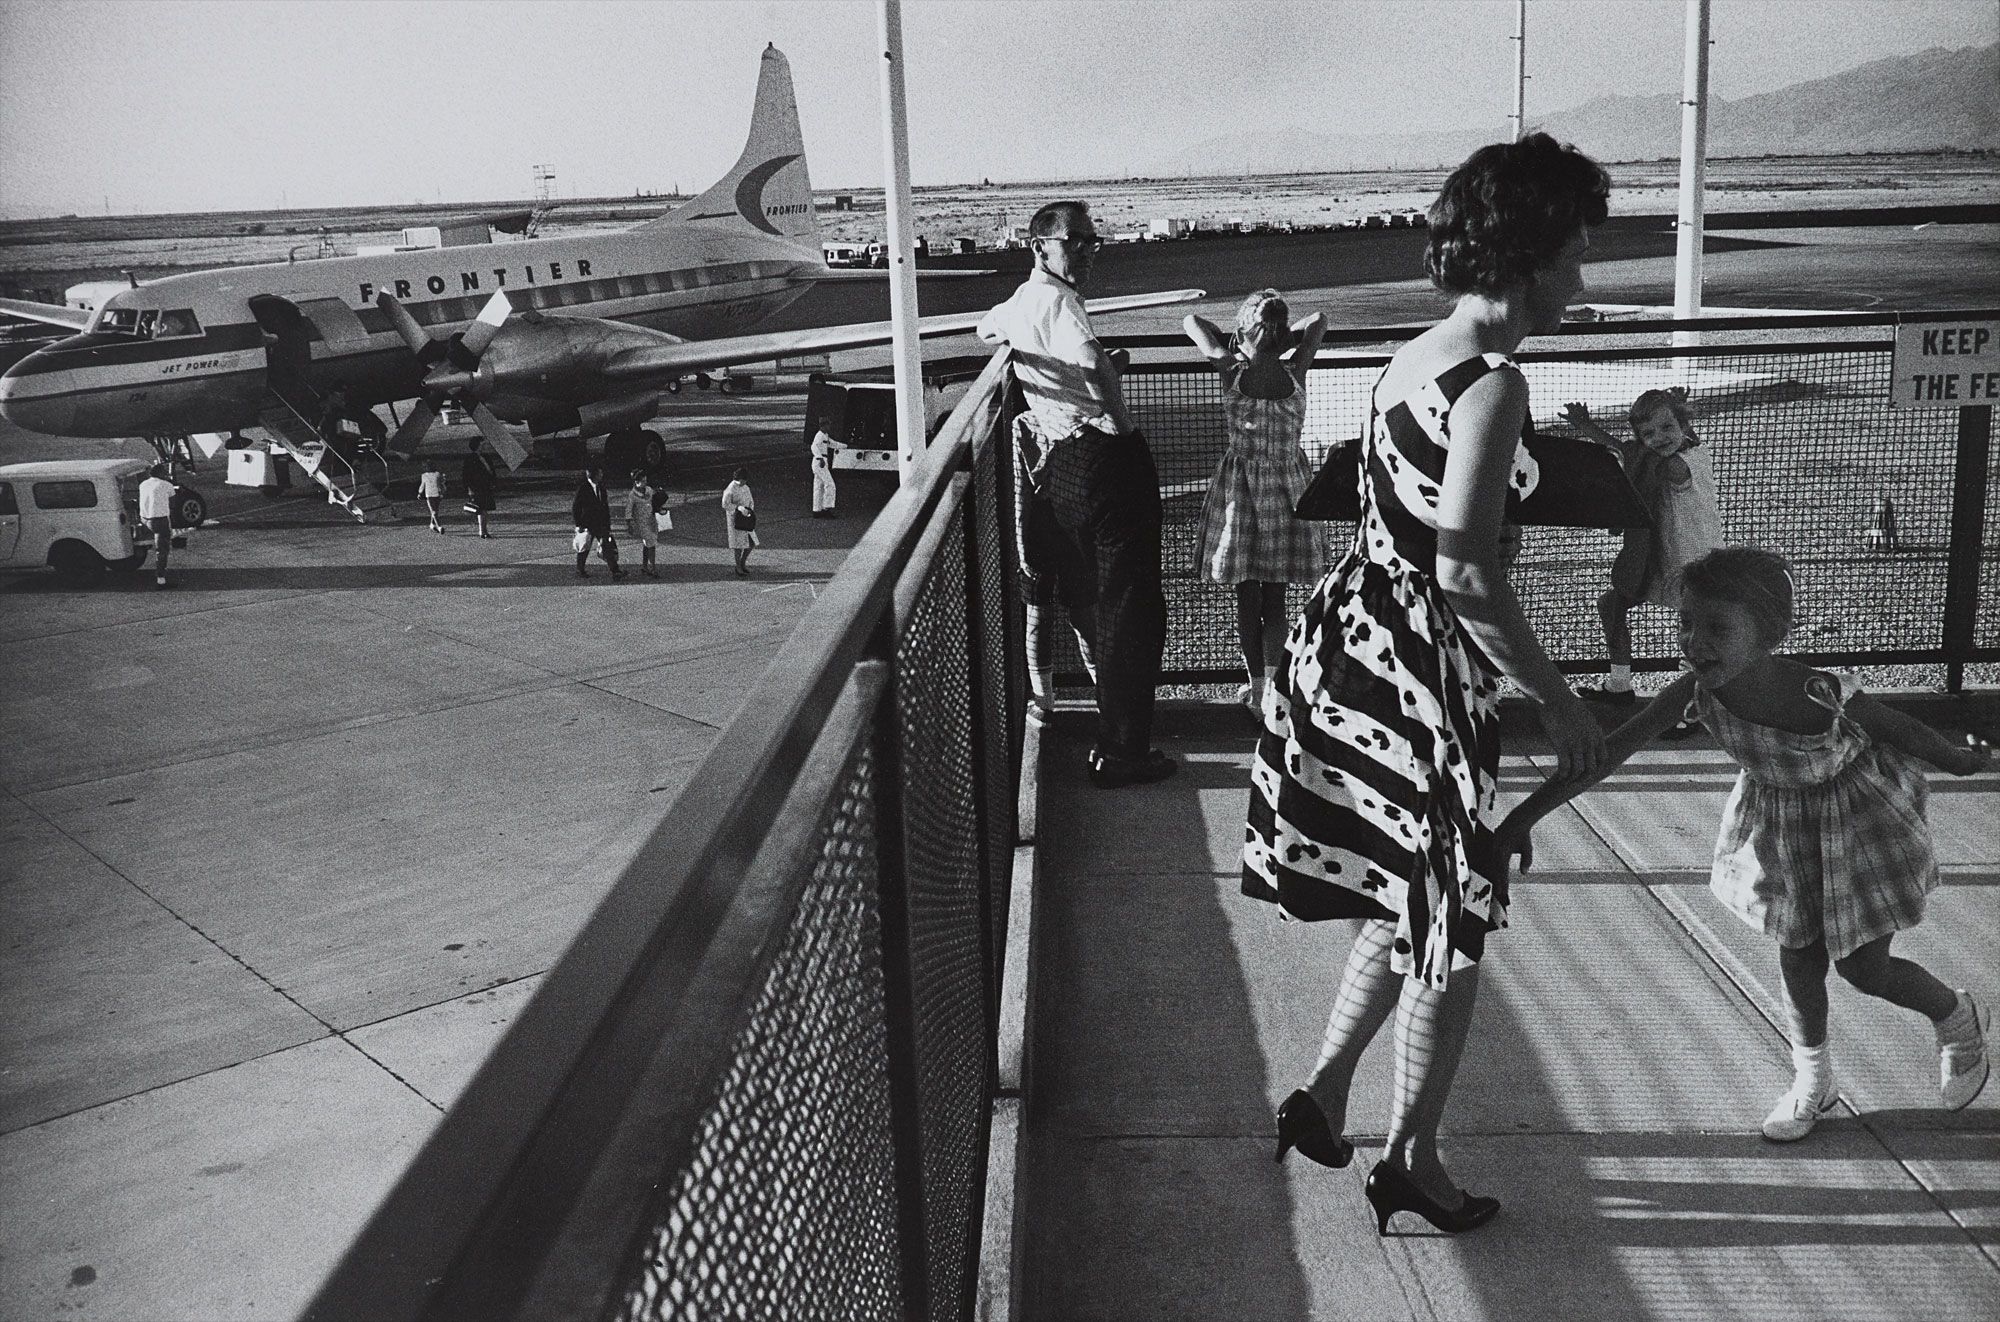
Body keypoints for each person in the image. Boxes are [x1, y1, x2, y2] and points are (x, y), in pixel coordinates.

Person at [1245, 133, 1610, 1236]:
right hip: (1418, 674)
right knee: (1449, 923)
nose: (1581, 279)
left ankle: (1322, 1091)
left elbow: (1398, 524)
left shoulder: (1412, 354)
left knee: (1412, 892)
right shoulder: (1494, 382)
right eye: (1574, 253)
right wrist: (1556, 696)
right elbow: (1461, 564)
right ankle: (1411, 1156)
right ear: (1529, 253)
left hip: (1354, 647)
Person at [1493, 546, 1991, 1140]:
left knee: (1864, 969)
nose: (1694, 642)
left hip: (1855, 827)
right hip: (1781, 832)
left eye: (1718, 628)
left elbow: (1896, 726)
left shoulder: (1815, 690)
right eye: (1686, 623)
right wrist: (1521, 818)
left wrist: (1959, 761)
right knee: (1799, 961)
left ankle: (1956, 1017)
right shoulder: (1692, 693)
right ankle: (1814, 1082)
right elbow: (1607, 755)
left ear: (1770, 634)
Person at [977, 200, 1172, 788]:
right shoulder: (1061, 302)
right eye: (1075, 242)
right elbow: (1088, 357)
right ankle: (1123, 751)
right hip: (1102, 457)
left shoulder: (1024, 301)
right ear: (1040, 246)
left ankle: (1111, 740)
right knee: (1133, 607)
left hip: (1061, 465)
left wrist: (1044, 366)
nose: (1087, 251)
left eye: (1091, 241)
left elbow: (982, 327)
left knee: (1098, 598)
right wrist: (1119, 418)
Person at [1183, 291, 1328, 716]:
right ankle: (1274, 692)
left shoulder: (1230, 370)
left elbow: (1192, 320)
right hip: (1288, 490)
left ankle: (1257, 688)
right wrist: (1284, 339)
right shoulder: (1296, 369)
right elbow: (1318, 319)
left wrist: (1239, 342)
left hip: (1241, 495)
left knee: (1247, 598)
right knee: (1276, 598)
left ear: (1245, 331)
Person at [1563, 388, 1723, 714]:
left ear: (1684, 425)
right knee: (1611, 604)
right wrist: (1587, 427)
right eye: (1648, 433)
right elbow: (1630, 451)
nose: (1659, 438)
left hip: (1695, 565)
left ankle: (1694, 709)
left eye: (1667, 428)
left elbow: (1636, 458)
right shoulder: (1660, 452)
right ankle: (1619, 686)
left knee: (1692, 636)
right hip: (1660, 560)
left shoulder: (1684, 463)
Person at [571, 465, 625, 580]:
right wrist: (578, 524)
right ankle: (580, 569)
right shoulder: (583, 488)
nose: (602, 475)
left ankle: (615, 570)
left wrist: (608, 524)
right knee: (584, 547)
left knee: (607, 546)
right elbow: (576, 507)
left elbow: (605, 507)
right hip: (587, 524)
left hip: (601, 523)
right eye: (600, 473)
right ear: (594, 475)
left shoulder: (601, 488)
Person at [138, 462, 176, 589]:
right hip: (159, 521)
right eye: (164, 472)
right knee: (162, 550)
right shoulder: (166, 485)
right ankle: (161, 580)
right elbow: (173, 504)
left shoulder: (143, 484)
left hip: (145, 519)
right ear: (160, 474)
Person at [721, 468, 758, 576]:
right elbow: (725, 504)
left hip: (746, 517)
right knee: (738, 545)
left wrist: (750, 509)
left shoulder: (745, 487)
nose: (744, 483)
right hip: (736, 519)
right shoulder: (730, 489)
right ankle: (738, 566)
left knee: (751, 542)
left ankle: (742, 562)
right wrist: (738, 508)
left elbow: (751, 500)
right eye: (742, 480)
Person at [626, 471, 660, 577]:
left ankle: (645, 566)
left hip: (651, 520)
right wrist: (629, 524)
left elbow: (655, 499)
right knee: (651, 543)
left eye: (646, 480)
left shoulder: (649, 490)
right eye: (643, 481)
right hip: (641, 523)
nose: (645, 483)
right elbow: (628, 511)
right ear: (636, 482)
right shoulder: (632, 495)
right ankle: (652, 568)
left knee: (647, 543)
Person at [461, 439, 497, 538]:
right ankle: (482, 531)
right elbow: (466, 474)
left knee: (484, 509)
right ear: (477, 446)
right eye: (482, 444)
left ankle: (484, 530)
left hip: (485, 485)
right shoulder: (470, 458)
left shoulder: (485, 456)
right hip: (476, 486)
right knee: (481, 509)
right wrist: (468, 488)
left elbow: (491, 470)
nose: (484, 446)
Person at [809, 421, 840, 518]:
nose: (829, 427)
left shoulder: (825, 436)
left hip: (821, 461)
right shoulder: (819, 435)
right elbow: (814, 446)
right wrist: (819, 457)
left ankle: (817, 510)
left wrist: (845, 446)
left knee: (819, 486)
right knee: (830, 484)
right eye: (828, 425)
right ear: (823, 426)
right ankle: (827, 508)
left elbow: (832, 444)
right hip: (820, 461)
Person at [417, 462, 445, 533]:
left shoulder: (437, 474)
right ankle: (439, 527)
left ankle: (432, 524)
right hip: (429, 495)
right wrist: (420, 493)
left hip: (437, 494)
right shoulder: (424, 475)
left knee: (435, 511)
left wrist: (441, 492)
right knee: (434, 512)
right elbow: (422, 485)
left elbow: (441, 483)